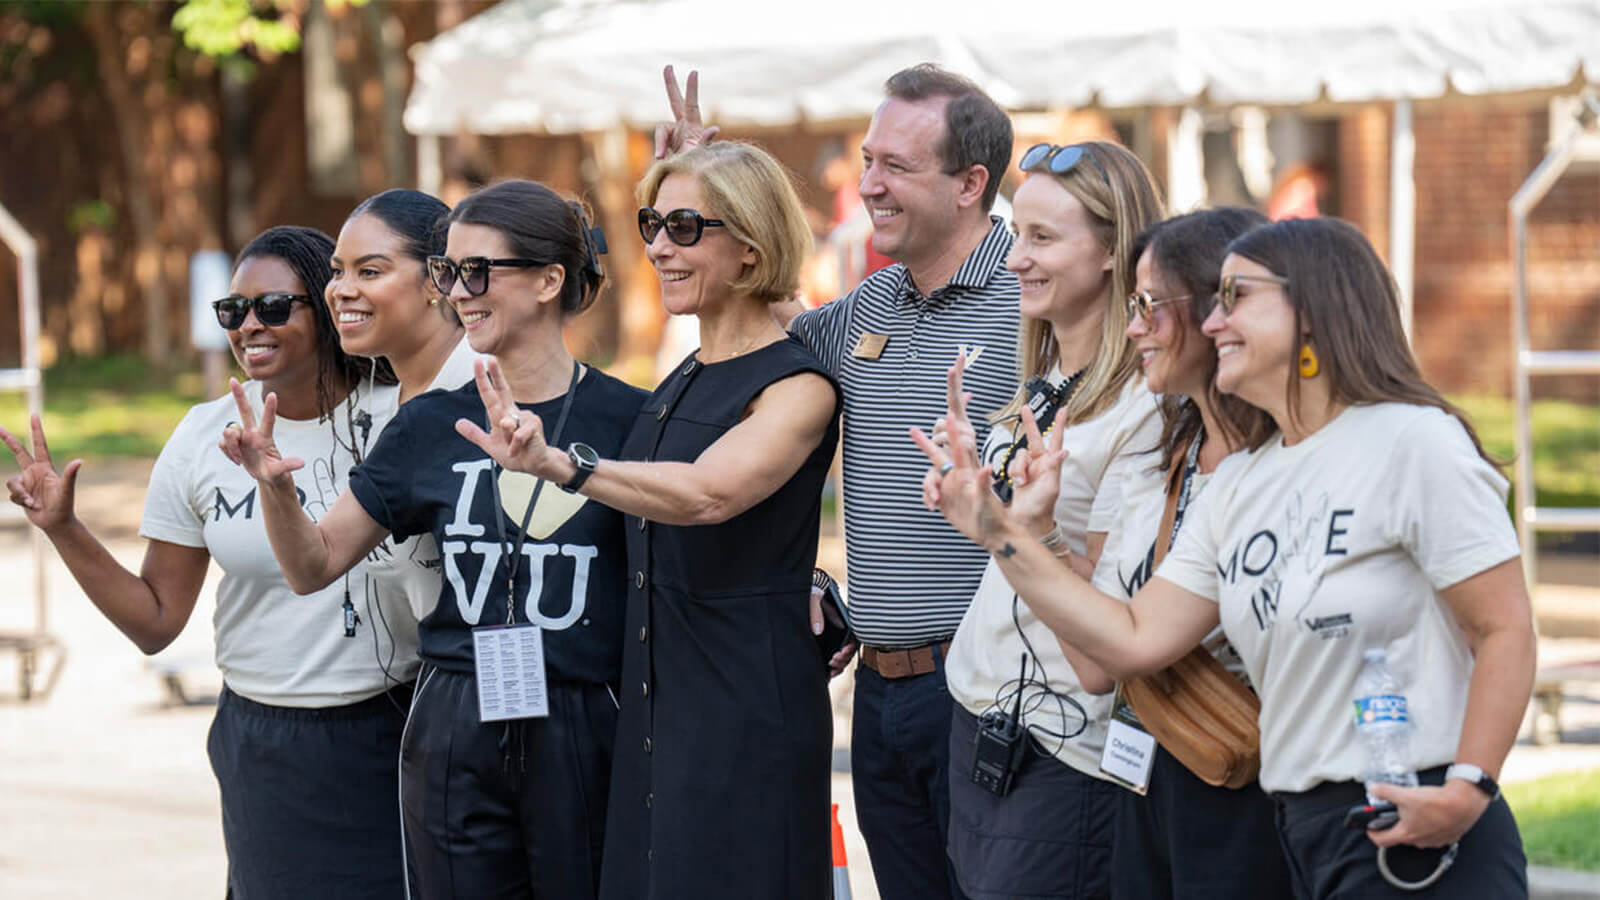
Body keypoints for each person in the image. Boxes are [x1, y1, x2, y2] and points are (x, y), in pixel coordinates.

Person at [916, 216, 1534, 900]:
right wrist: (1003, 534)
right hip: (1301, 826)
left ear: (1315, 307)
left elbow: (1503, 627)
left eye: (1237, 298)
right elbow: (1128, 639)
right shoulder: (1242, 481)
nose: (1214, 323)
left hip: (1413, 821)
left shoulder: (1412, 442)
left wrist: (1470, 785)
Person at [225, 182, 644, 899]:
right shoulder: (426, 426)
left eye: (477, 272)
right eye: (449, 273)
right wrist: (273, 486)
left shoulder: (632, 419)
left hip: (585, 715)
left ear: (548, 281)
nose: (459, 292)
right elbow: (313, 564)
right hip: (456, 715)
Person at [463, 141, 839, 899]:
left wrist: (562, 465)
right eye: (653, 223)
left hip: (743, 717)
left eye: (686, 228)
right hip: (652, 711)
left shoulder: (798, 382)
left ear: (751, 249)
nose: (659, 246)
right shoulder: (682, 376)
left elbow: (707, 495)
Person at [2, 226, 420, 899]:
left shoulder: (401, 415)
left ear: (327, 305)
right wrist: (63, 528)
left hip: (397, 725)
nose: (249, 325)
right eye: (234, 311)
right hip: (268, 739)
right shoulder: (203, 436)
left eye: (274, 308)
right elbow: (156, 620)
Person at [785, 64, 1021, 900]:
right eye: (867, 158)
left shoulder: (1034, 300)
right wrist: (707, 191)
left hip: (992, 694)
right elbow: (753, 345)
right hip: (878, 703)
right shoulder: (866, 305)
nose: (869, 185)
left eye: (895, 167)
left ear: (970, 183)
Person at [934, 140, 1163, 900]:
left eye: (1042, 238)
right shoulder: (1045, 387)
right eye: (1014, 234)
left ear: (1112, 252)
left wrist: (1023, 531)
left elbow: (1109, 640)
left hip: (1064, 754)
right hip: (979, 723)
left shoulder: (1145, 412)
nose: (1013, 260)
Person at [1084, 207, 1291, 899]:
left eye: (1148, 305)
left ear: (1215, 308)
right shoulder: (1159, 460)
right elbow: (1095, 660)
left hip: (1251, 779)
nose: (1134, 326)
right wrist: (1024, 534)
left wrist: (1013, 537)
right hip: (1148, 772)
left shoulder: (1286, 466)